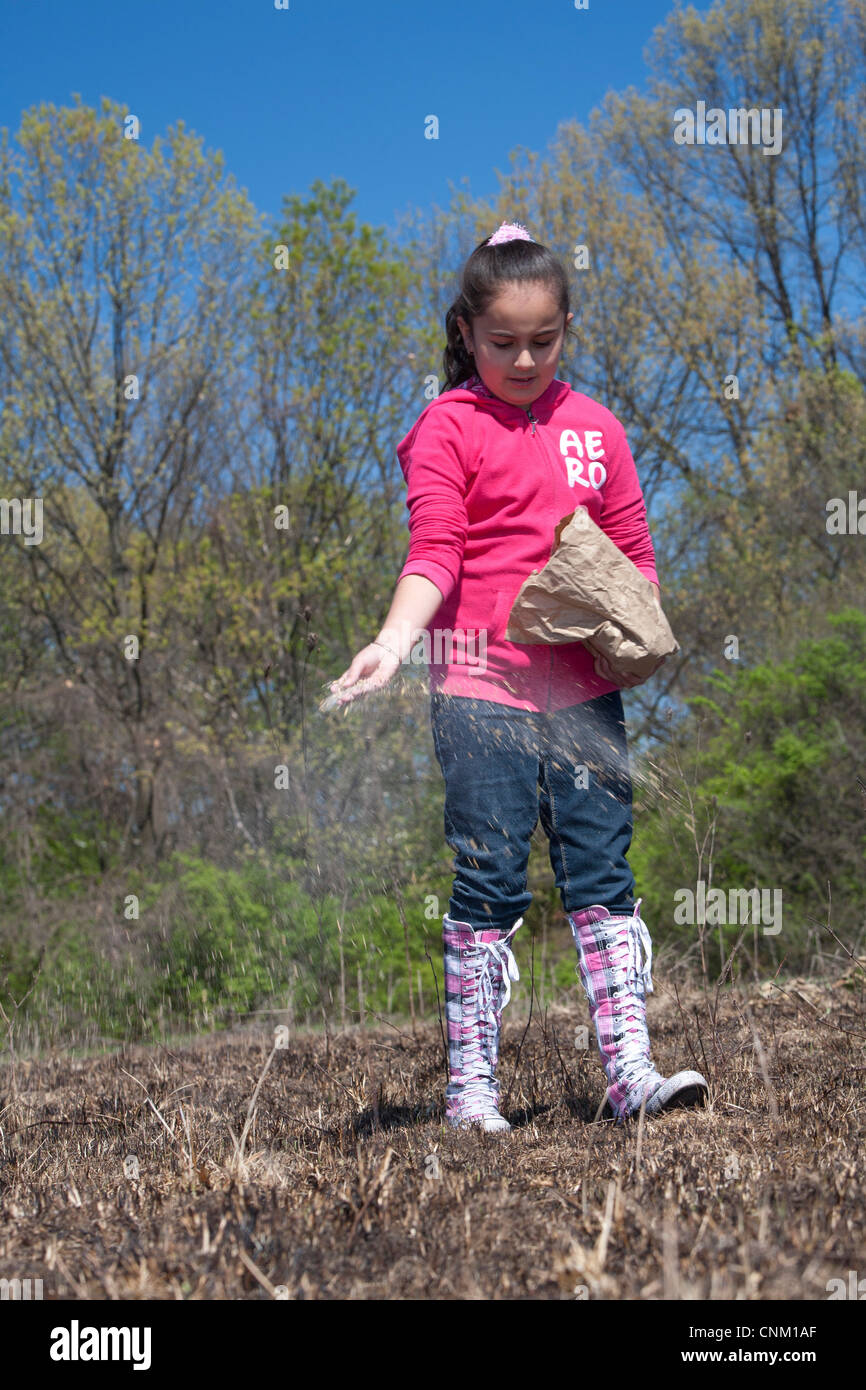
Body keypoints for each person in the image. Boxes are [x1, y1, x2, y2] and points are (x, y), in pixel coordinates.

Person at [326, 220, 708, 1133]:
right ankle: (471, 1095)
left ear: (567, 325)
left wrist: (638, 622)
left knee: (602, 873)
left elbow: (635, 556)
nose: (526, 359)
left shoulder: (599, 430)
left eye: (545, 340)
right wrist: (392, 641)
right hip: (476, 691)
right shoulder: (445, 429)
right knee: (491, 877)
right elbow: (436, 553)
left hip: (582, 693)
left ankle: (629, 1075)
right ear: (466, 332)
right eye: (504, 343)